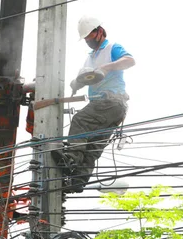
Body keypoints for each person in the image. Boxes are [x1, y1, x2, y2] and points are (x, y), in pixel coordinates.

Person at [53, 15, 136, 193]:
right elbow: (88, 77)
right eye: (86, 39)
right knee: (93, 146)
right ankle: (79, 179)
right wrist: (77, 83)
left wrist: (107, 67)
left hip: (110, 101)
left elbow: (130, 61)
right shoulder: (90, 59)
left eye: (90, 38)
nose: (88, 42)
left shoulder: (112, 48)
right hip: (112, 110)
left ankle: (71, 158)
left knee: (80, 121)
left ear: (99, 32)